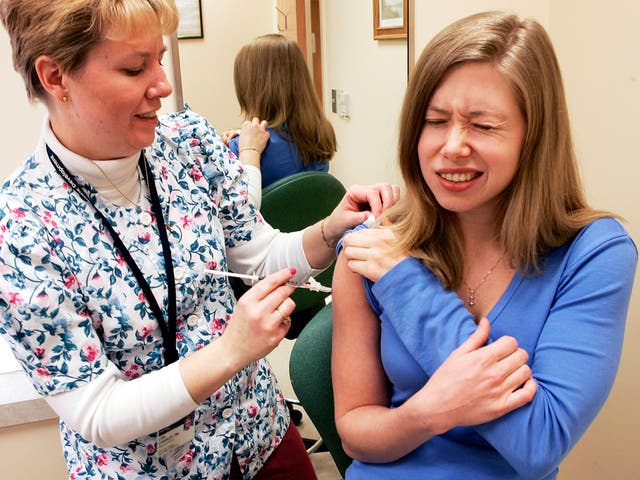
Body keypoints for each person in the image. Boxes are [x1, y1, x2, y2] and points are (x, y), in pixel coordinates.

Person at [0, 1, 398, 479]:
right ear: (55, 77)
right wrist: (230, 350)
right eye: (134, 68)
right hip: (151, 468)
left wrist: (328, 231)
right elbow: (98, 413)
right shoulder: (20, 228)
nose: (162, 85)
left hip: (257, 433)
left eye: (159, 59)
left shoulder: (188, 143)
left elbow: (260, 257)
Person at [333, 10, 637, 480]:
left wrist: (408, 287)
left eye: (483, 126)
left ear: (534, 139)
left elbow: (540, 443)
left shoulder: (595, 253)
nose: (452, 146)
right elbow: (355, 432)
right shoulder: (371, 248)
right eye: (435, 121)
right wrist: (430, 412)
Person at [223, 33, 337, 207]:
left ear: (249, 87)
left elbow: (236, 212)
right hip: (314, 230)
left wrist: (239, 144)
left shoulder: (240, 151)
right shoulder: (320, 133)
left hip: (267, 233)